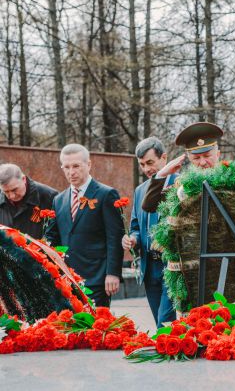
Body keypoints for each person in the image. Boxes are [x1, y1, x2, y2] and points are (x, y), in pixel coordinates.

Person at [45, 144, 124, 307]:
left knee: (95, 329)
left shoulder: (106, 194)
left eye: (76, 166)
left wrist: (113, 273)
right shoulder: (58, 200)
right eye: (66, 167)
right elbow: (53, 238)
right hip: (68, 280)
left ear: (88, 165)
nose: (71, 172)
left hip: (97, 277)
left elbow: (114, 237)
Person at [122, 137, 176, 328]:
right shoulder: (140, 190)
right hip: (149, 267)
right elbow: (135, 226)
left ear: (164, 158)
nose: (146, 169)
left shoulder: (180, 184)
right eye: (142, 164)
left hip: (173, 267)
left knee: (165, 324)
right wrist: (132, 239)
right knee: (159, 323)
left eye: (150, 163)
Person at [142, 122, 223, 213]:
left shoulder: (233, 179)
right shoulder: (182, 186)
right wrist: (161, 174)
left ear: (217, 154)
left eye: (207, 156)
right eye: (196, 158)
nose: (203, 162)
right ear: (189, 159)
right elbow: (149, 206)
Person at [0, 164, 57, 239]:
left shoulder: (50, 197)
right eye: (6, 192)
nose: (11, 196)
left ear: (23, 179)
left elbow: (58, 235)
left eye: (14, 190)